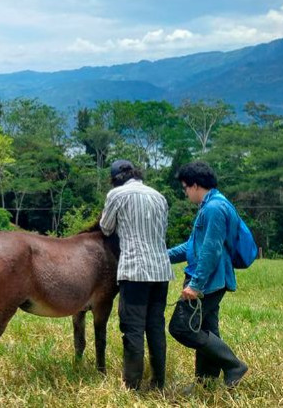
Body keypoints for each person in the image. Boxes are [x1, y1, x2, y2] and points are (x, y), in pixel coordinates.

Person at [168, 161, 248, 388]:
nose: (185, 193)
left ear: (195, 185)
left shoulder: (213, 208)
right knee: (206, 330)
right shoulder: (211, 205)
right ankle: (206, 383)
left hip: (208, 281)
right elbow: (192, 246)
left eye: (185, 188)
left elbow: (210, 250)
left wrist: (195, 285)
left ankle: (234, 365)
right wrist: (161, 255)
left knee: (182, 328)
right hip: (214, 279)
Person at [100, 159, 173, 391]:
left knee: (132, 329)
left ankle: (132, 385)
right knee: (155, 327)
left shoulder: (117, 195)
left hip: (134, 270)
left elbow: (106, 227)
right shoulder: (159, 196)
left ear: (115, 178)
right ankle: (158, 382)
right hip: (161, 270)